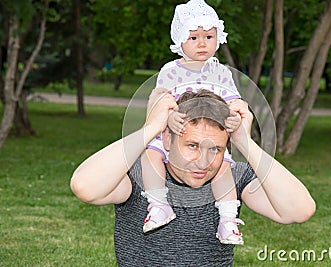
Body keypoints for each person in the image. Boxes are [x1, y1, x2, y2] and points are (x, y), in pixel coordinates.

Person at [70, 89, 316, 266]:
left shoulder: (233, 179)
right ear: (167, 139)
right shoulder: (140, 175)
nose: (203, 161)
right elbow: (85, 187)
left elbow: (298, 210)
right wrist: (151, 127)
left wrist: (245, 142)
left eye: (215, 149)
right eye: (192, 145)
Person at [140, 0, 245, 244]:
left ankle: (228, 220)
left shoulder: (221, 73)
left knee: (224, 168)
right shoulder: (170, 70)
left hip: (207, 138)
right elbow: (158, 101)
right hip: (174, 135)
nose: (202, 43)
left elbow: (233, 101)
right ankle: (158, 205)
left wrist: (234, 116)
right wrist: (169, 116)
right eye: (194, 37)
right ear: (180, 41)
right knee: (150, 155)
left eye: (209, 37)